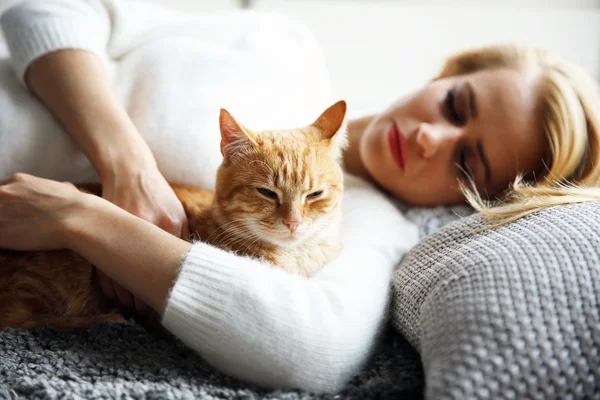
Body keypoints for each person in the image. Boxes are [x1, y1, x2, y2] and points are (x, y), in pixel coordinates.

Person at [0, 0, 599, 394]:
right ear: (446, 73)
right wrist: (124, 161)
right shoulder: (281, 37)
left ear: (475, 199)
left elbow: (310, 350)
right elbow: (41, 9)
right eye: (456, 105)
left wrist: (79, 216)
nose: (427, 137)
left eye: (467, 159)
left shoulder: (370, 227)